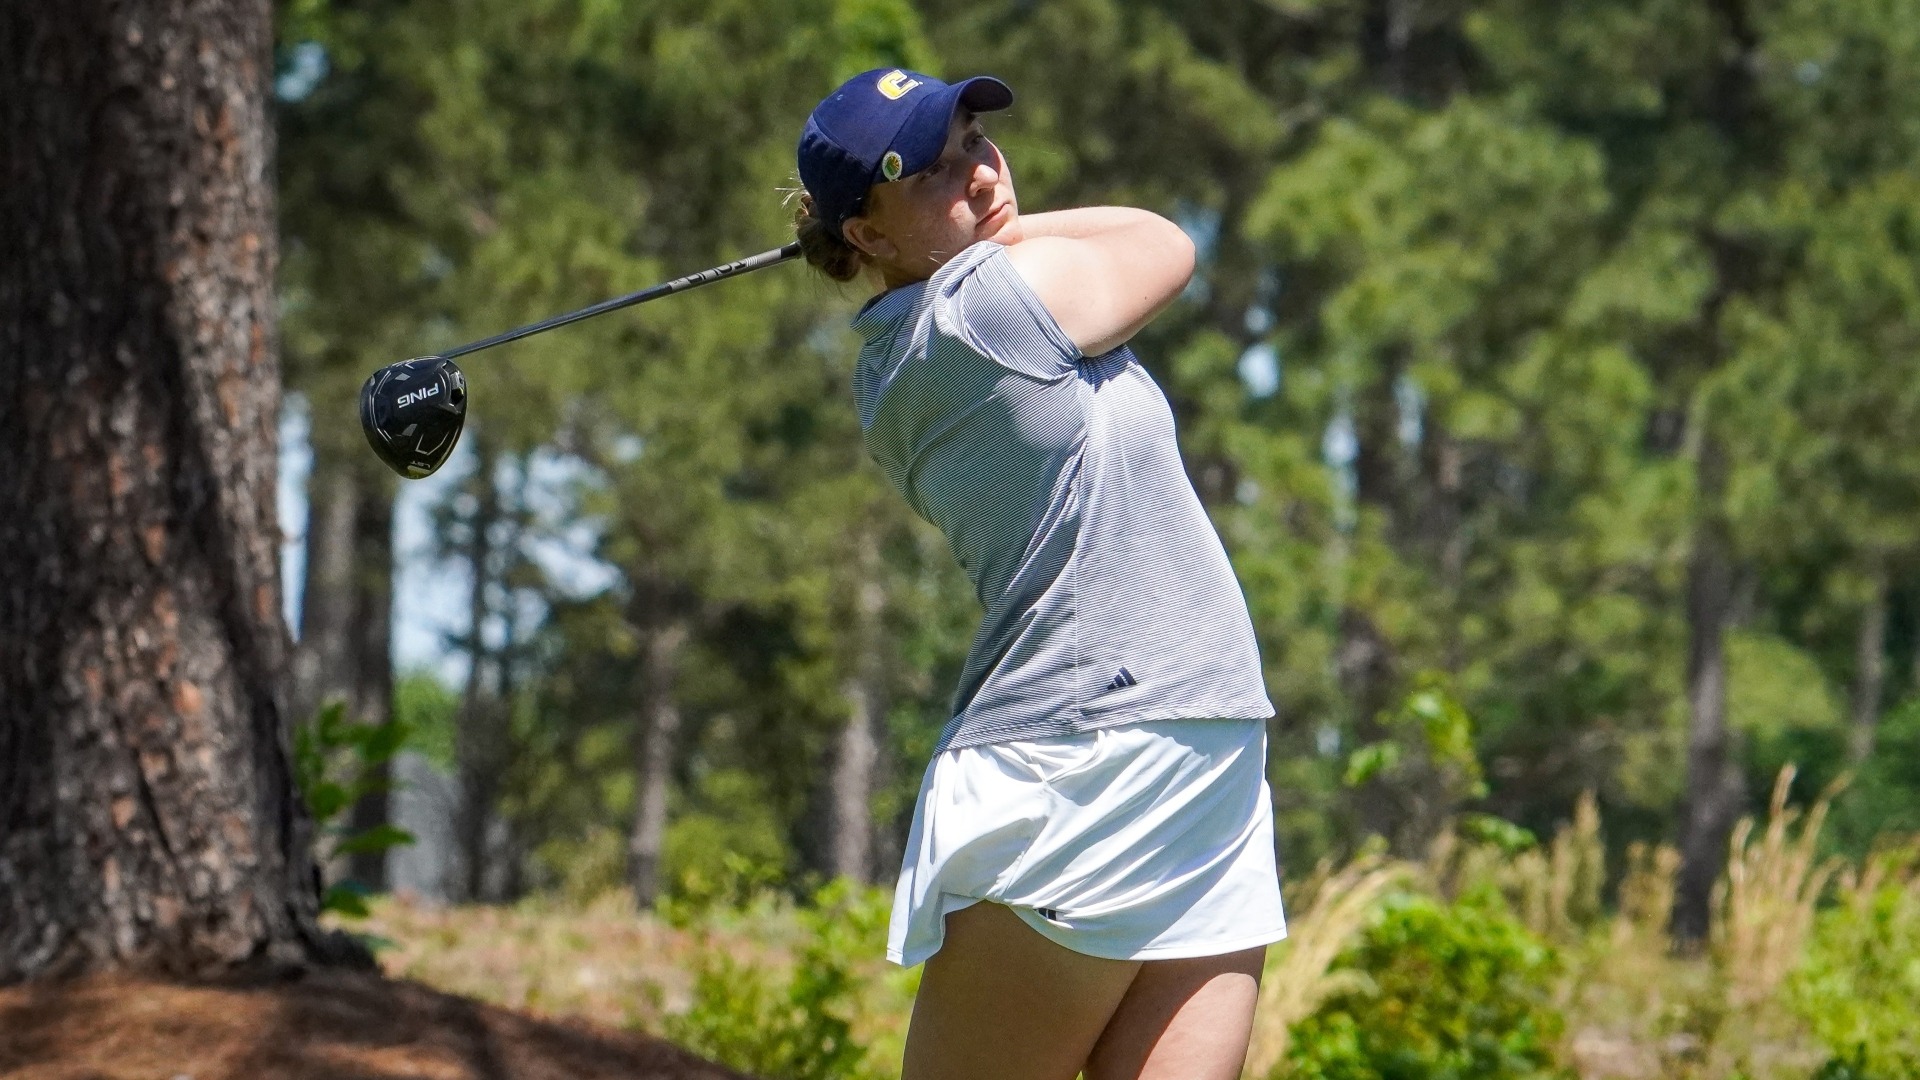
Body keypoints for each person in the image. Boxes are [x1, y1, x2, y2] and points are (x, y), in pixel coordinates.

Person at [793, 68, 1288, 1080]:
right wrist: (996, 235)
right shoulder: (979, 314)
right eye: (933, 172)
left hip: (1200, 749)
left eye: (976, 140)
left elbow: (1128, 240)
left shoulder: (926, 331)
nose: (980, 172)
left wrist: (968, 224)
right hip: (1084, 762)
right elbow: (1163, 241)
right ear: (869, 233)